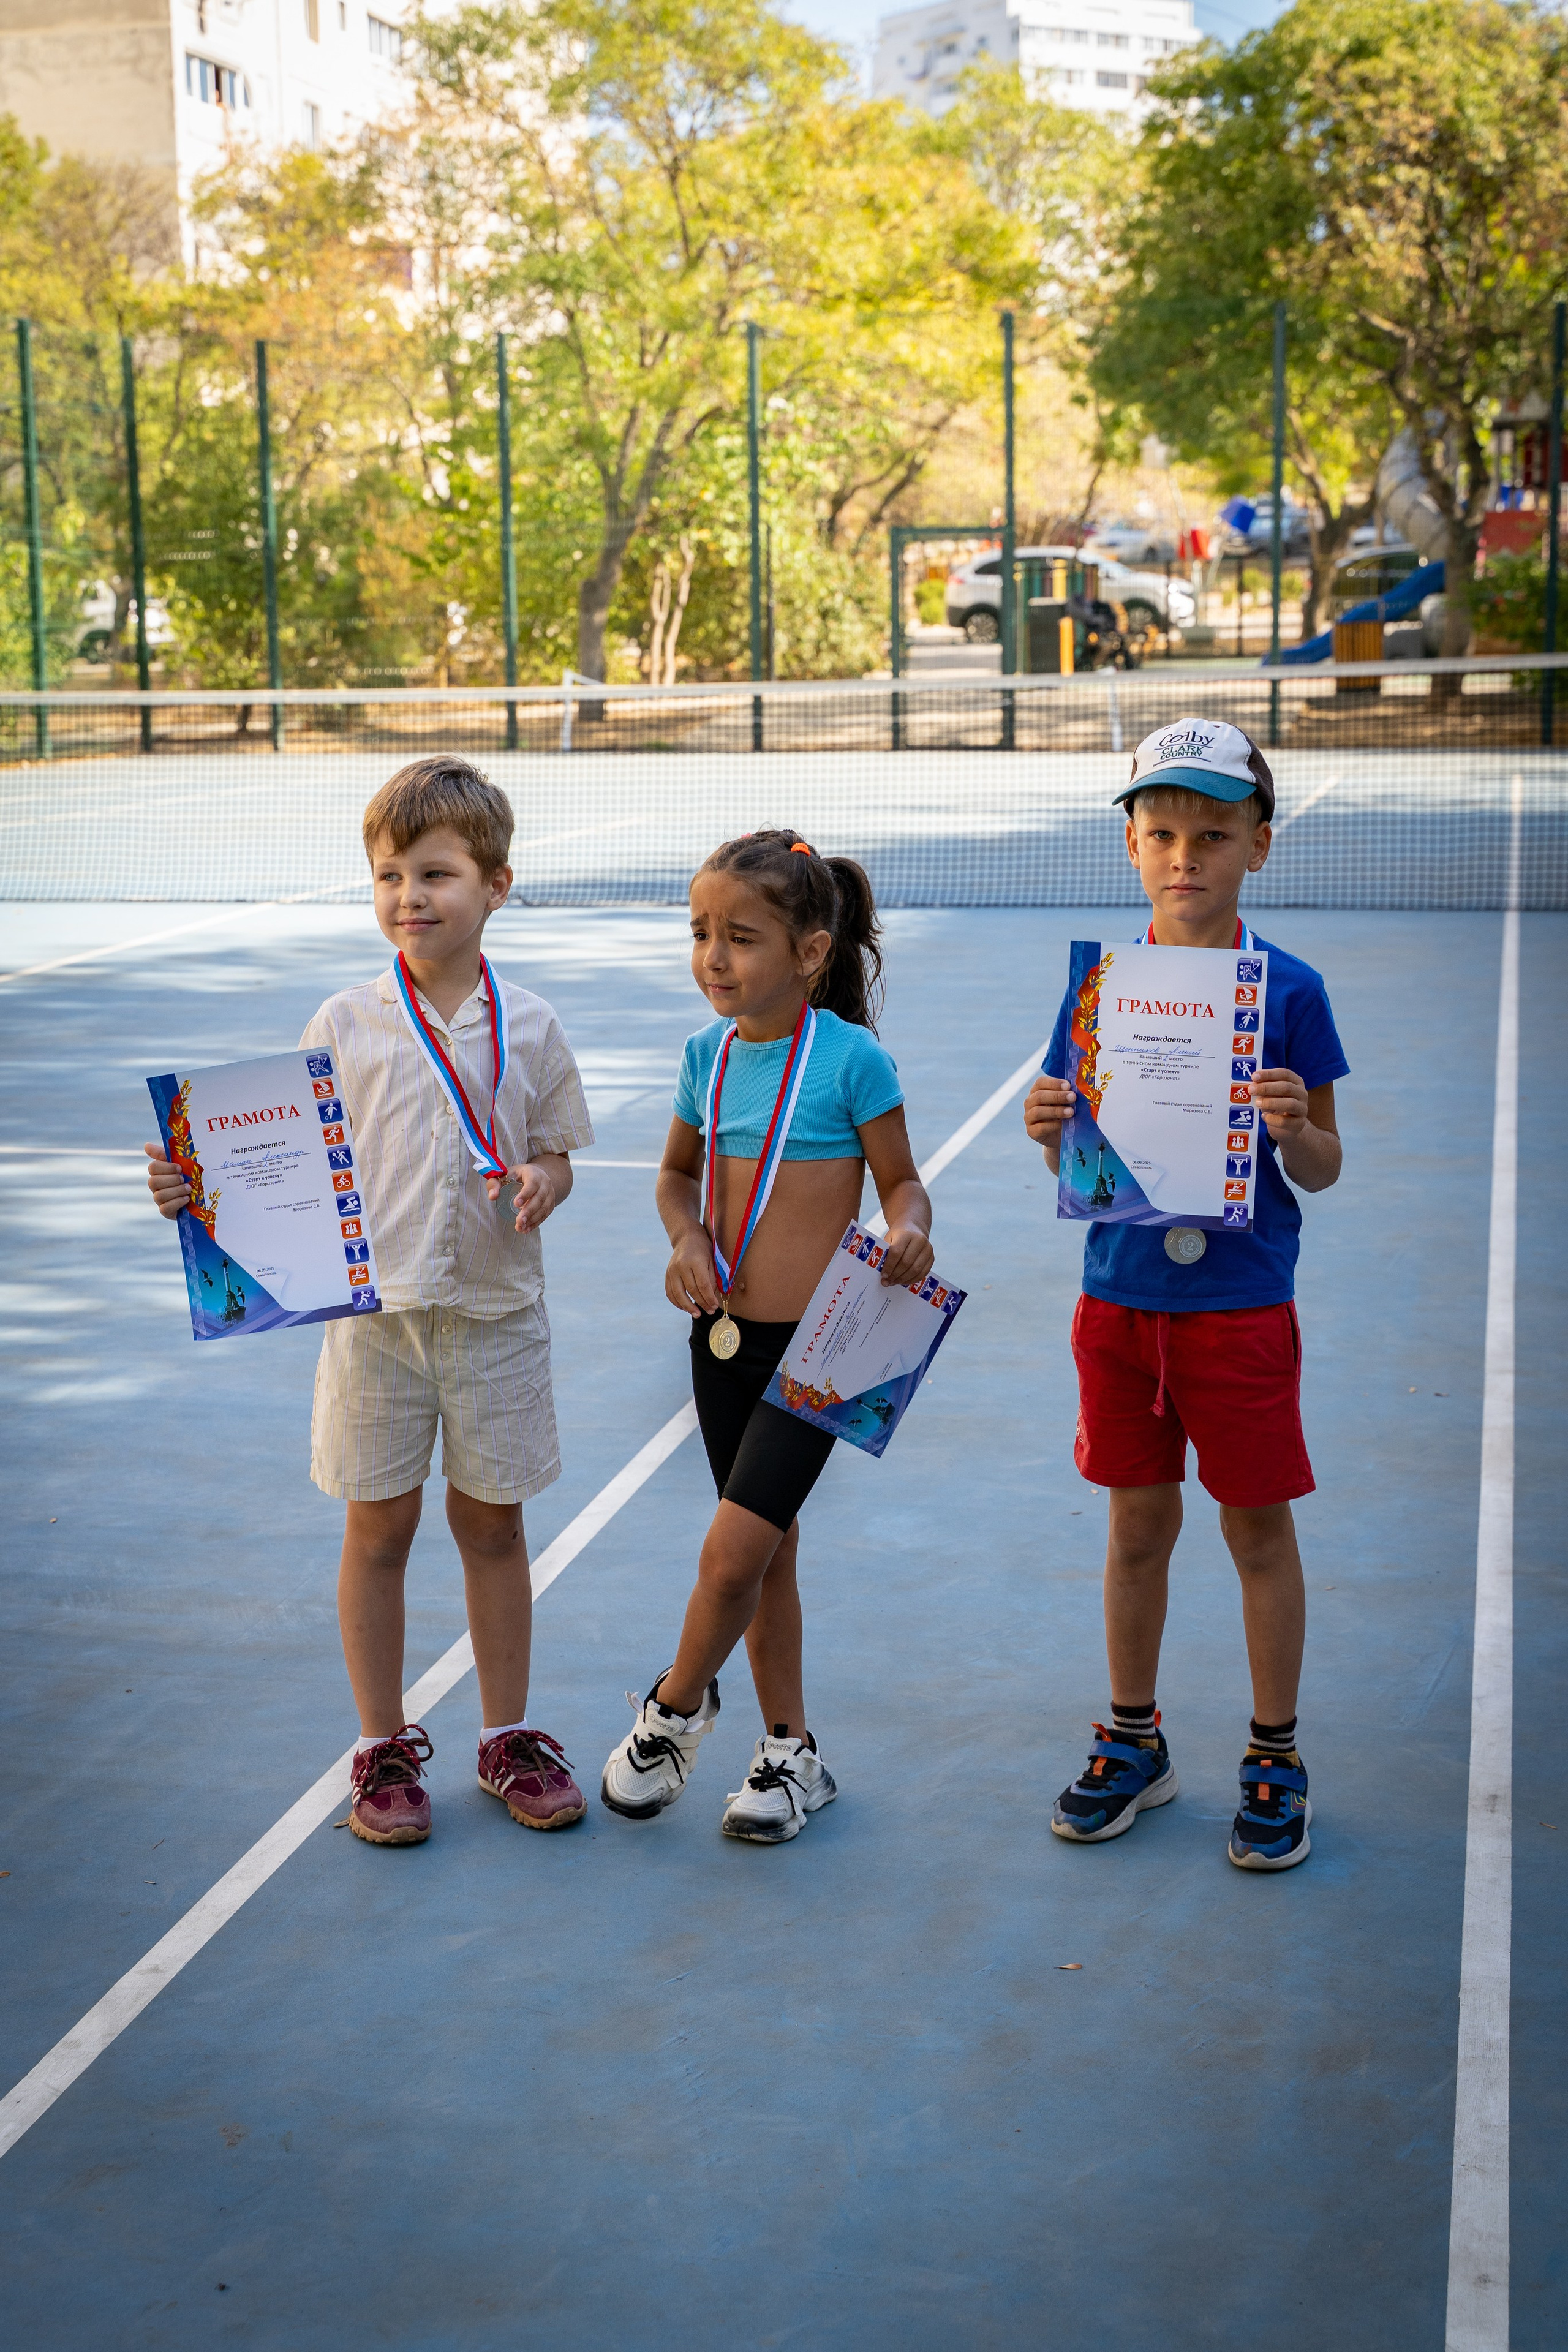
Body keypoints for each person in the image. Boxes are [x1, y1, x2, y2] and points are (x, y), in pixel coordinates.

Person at [146, 756, 595, 1847]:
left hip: (495, 1320)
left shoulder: (528, 1022)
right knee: (378, 1529)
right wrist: (191, 1186)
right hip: (373, 1329)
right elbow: (277, 1165)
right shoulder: (343, 1021)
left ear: (496, 884)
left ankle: (507, 1736)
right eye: (389, 874)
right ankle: (383, 1747)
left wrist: (544, 1178)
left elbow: (556, 1151)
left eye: (436, 872)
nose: (410, 896)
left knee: (493, 1527)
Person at [1024, 719, 1348, 1871]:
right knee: (1136, 1526)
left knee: (1257, 1531)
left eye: (1213, 834)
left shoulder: (1291, 994)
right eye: (1162, 832)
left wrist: (1297, 1128)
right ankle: (1133, 1738)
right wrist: (1048, 1132)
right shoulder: (1102, 993)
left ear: (1259, 846)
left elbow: (1324, 1166)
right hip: (1118, 1306)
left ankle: (1274, 1750)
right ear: (1130, 844)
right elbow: (1082, 1164)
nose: (1186, 857)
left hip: (1242, 1309)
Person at [600, 829, 934, 1844]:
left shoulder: (851, 1058)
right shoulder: (705, 1057)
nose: (713, 956)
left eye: (740, 937)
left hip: (822, 1358)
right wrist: (686, 1235)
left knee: (730, 1553)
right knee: (769, 1559)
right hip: (722, 1343)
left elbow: (902, 1183)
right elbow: (672, 1177)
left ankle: (672, 1708)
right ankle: (791, 1756)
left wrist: (909, 1232)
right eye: (701, 934)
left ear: (810, 952)